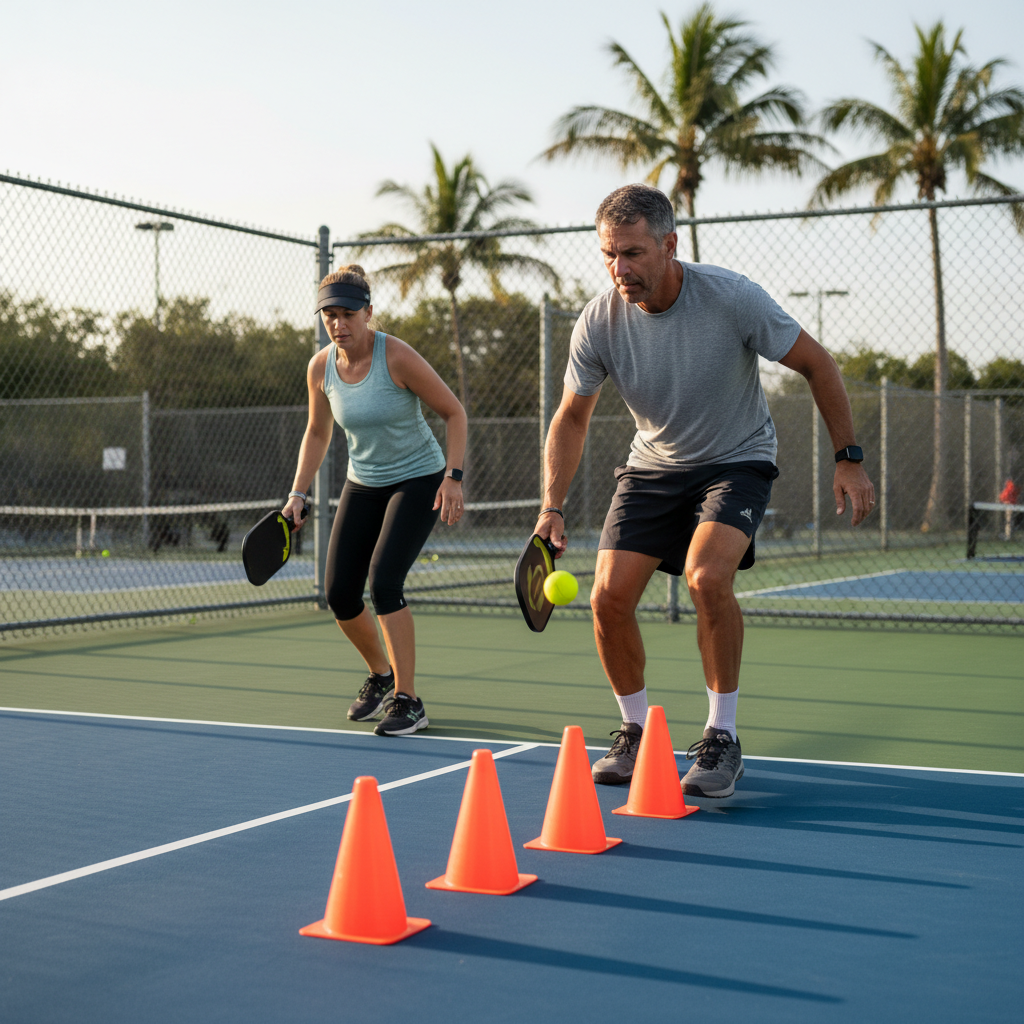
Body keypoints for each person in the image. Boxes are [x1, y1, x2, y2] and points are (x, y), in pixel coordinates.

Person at [534, 184, 874, 797]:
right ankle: (635, 732)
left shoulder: (732, 297)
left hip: (736, 459)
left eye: (633, 253)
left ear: (669, 245)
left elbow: (818, 364)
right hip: (651, 466)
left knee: (706, 578)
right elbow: (571, 417)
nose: (619, 269)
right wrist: (550, 507)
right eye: (609, 254)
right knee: (607, 598)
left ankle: (722, 737)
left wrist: (848, 459)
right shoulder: (598, 321)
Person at [284, 265, 467, 736]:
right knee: (340, 593)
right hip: (364, 481)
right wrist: (297, 493)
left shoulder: (397, 357)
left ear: (368, 313)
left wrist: (453, 477)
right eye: (330, 315)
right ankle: (380, 674)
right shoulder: (321, 367)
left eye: (348, 314)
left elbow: (454, 412)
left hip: (418, 477)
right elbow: (317, 432)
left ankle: (409, 700)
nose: (338, 324)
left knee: (384, 581)